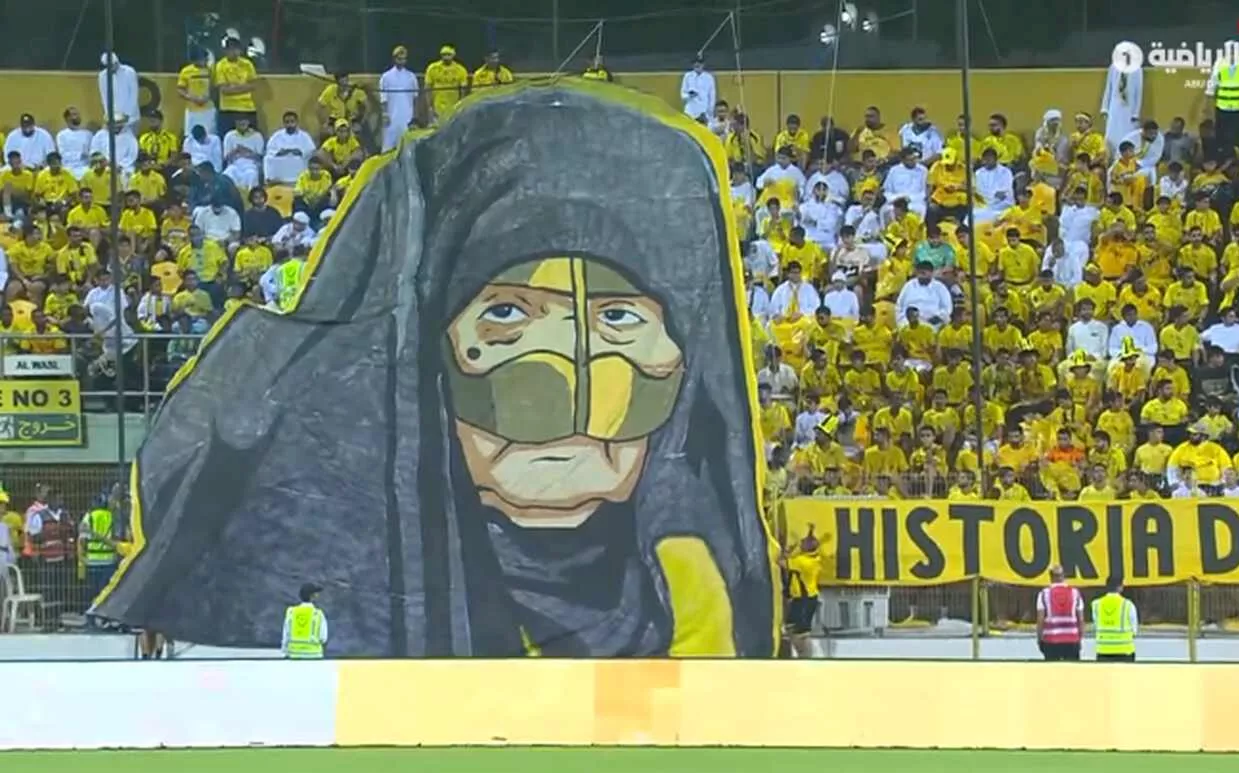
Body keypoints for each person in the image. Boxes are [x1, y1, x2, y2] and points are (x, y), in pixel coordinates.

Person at [93, 82, 781, 658]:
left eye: (620, 317)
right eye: (507, 313)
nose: (568, 378)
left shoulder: (700, 591)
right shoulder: (349, 569)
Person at [1206, 47, 1239, 156]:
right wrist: (1208, 102)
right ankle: (1222, 157)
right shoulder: (1220, 63)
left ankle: (1236, 159)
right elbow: (1212, 82)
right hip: (1222, 106)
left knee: (1237, 138)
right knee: (1221, 138)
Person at [783, 527, 822, 658]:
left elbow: (780, 562)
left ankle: (805, 657)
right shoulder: (814, 558)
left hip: (805, 600)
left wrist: (788, 550)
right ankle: (802, 654)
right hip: (804, 598)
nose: (801, 542)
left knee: (801, 633)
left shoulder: (802, 562)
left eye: (803, 542)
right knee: (790, 626)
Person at [1100, 44, 1144, 156]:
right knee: (1112, 133)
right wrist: (1104, 108)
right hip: (1114, 106)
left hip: (1129, 108)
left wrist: (1136, 113)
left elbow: (1139, 92)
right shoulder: (1113, 67)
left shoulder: (1137, 69)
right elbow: (1108, 88)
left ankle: (1126, 157)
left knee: (1128, 133)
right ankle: (1111, 157)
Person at [1036, 564, 1083, 661]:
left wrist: (1039, 639)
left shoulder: (1043, 594)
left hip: (1051, 640)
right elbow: (1081, 619)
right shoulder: (1075, 593)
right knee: (1073, 670)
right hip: (1072, 639)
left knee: (1052, 670)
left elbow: (1040, 620)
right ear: (1064, 576)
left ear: (1050, 576)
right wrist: (1079, 638)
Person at [379, 46, 420, 152]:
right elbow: (383, 98)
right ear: (394, 59)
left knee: (407, 148)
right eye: (399, 58)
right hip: (391, 118)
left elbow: (415, 98)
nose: (401, 61)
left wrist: (415, 117)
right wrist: (385, 114)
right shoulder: (386, 77)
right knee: (388, 148)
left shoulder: (411, 77)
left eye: (403, 59)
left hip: (407, 118)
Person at [1091, 575, 1137, 662]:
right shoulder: (1128, 605)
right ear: (1120, 587)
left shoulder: (1096, 604)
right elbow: (1134, 630)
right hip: (1124, 650)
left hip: (1103, 650)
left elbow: (1096, 625)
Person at [282, 583, 329, 659]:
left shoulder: (291, 612)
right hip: (314, 655)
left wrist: (285, 653)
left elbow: (286, 635)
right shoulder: (318, 614)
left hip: (294, 655)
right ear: (313, 596)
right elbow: (323, 638)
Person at [98, 52, 140, 130]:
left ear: (117, 62)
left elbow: (134, 94)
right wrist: (108, 115)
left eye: (112, 65)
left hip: (131, 118)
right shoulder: (102, 76)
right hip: (114, 119)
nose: (111, 68)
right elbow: (104, 97)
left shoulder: (129, 72)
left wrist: (127, 115)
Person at [680, 53, 716, 123]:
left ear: (703, 64)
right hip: (690, 111)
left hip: (703, 111)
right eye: (695, 63)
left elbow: (712, 96)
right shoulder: (688, 76)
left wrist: (709, 112)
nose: (697, 64)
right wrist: (690, 95)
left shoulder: (709, 78)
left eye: (699, 63)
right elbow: (682, 94)